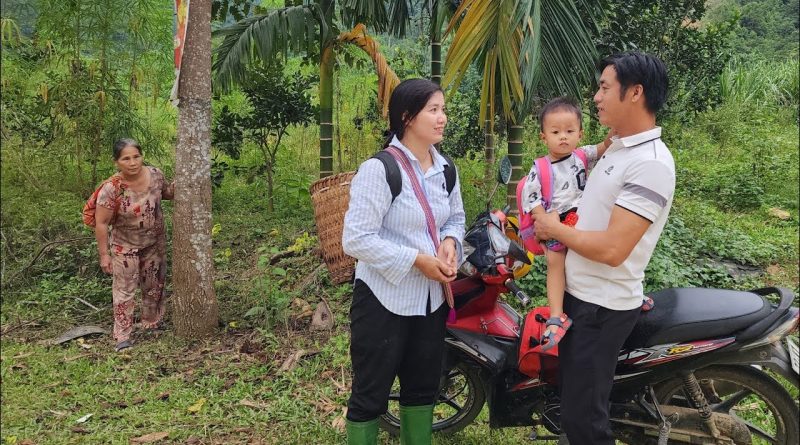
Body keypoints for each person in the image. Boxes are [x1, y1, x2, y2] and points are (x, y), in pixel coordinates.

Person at [533, 52, 675, 444]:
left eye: (604, 87)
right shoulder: (619, 149)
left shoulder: (651, 163)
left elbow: (614, 249)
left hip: (602, 307)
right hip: (584, 299)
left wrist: (553, 229)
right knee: (576, 407)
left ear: (635, 93)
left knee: (584, 421)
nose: (596, 97)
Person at [341, 78, 466, 445]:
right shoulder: (380, 170)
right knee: (370, 394)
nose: (442, 118)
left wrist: (449, 242)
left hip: (431, 301)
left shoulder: (446, 169)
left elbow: (455, 218)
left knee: (423, 389)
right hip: (384, 300)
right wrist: (416, 260)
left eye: (443, 109)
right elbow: (356, 239)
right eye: (434, 110)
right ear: (407, 117)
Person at [519, 97, 611, 350]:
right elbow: (531, 196)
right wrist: (544, 220)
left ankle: (624, 294)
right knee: (555, 264)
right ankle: (556, 316)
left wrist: (619, 132)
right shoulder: (540, 166)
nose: (563, 137)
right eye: (555, 132)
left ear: (580, 134)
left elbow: (604, 146)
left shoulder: (582, 156)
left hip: (584, 217)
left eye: (570, 131)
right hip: (556, 220)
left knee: (603, 249)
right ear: (543, 137)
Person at [94, 138, 174, 352]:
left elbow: (166, 193)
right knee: (124, 290)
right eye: (126, 158)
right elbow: (101, 223)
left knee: (154, 284)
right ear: (117, 162)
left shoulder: (155, 174)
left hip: (154, 243)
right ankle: (122, 335)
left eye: (136, 156)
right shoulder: (112, 189)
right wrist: (104, 255)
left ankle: (152, 323)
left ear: (142, 156)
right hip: (124, 246)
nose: (132, 162)